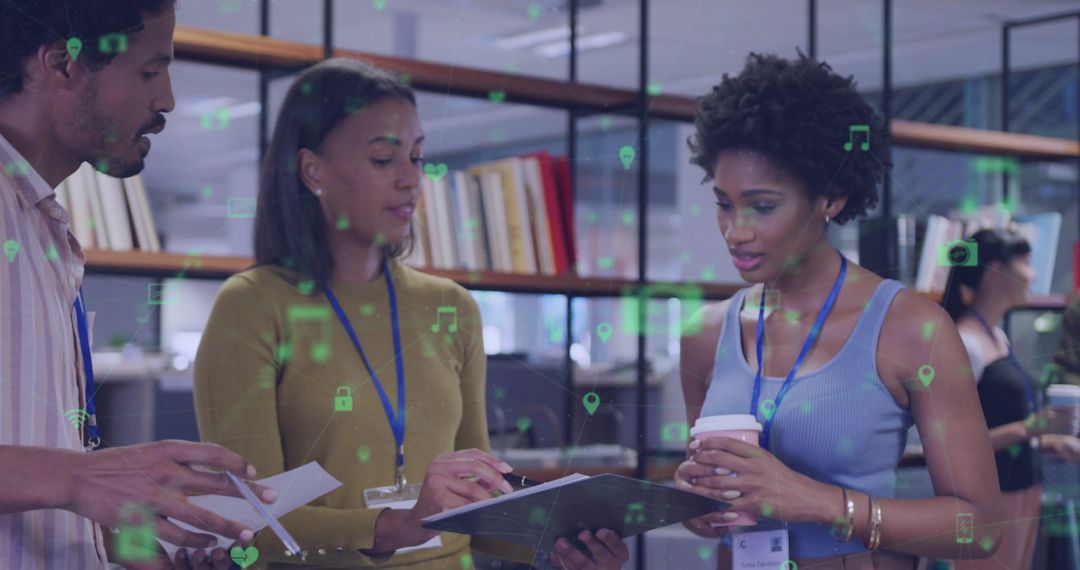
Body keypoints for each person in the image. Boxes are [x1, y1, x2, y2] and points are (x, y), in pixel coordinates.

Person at [192, 58, 628, 570]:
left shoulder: (452, 307)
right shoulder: (252, 305)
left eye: (417, 158)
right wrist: (399, 524)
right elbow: (249, 523)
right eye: (383, 159)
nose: (411, 180)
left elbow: (482, 503)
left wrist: (559, 548)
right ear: (313, 170)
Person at [674, 52, 1003, 569]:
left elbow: (979, 529)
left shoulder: (912, 329)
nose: (736, 230)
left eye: (762, 206)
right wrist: (695, 500)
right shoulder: (704, 334)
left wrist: (818, 501)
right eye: (724, 203)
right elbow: (709, 487)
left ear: (831, 196)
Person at [0, 1, 274, 569]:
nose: (166, 100)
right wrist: (80, 476)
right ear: (65, 64)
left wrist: (123, 550)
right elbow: (62, 478)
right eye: (150, 71)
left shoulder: (42, 225)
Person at [944, 228, 1080, 570]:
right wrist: (1032, 427)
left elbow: (1003, 426)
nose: (1033, 274)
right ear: (995, 270)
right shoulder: (965, 343)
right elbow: (951, 447)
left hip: (1024, 489)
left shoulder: (999, 337)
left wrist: (1048, 440)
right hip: (991, 499)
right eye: (1026, 262)